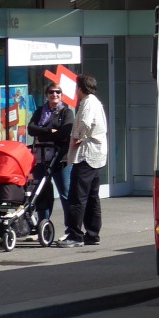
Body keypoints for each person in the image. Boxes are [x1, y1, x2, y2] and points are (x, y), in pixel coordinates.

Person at [55, 73, 108, 248]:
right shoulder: (95, 102)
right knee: (92, 197)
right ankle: (92, 234)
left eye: (76, 88)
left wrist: (77, 137)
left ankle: (74, 235)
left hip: (86, 155)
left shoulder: (88, 103)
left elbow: (84, 122)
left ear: (80, 88)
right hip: (96, 156)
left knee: (77, 196)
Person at [26, 82, 74, 219]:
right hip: (41, 158)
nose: (55, 94)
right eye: (51, 92)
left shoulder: (66, 112)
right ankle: (43, 226)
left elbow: (64, 133)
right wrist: (49, 130)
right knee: (41, 193)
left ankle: (71, 230)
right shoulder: (40, 111)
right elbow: (31, 129)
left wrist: (41, 134)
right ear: (47, 95)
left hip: (60, 159)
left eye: (58, 92)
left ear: (62, 95)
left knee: (65, 193)